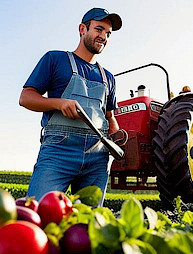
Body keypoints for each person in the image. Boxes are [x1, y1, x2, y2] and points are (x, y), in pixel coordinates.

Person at [19, 8, 122, 205]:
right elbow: (25, 98)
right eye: (99, 29)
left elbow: (110, 117)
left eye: (108, 34)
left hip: (97, 156)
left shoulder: (108, 77)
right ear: (82, 29)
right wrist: (59, 103)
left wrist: (116, 135)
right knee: (38, 211)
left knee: (89, 224)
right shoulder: (55, 59)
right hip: (59, 150)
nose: (103, 37)